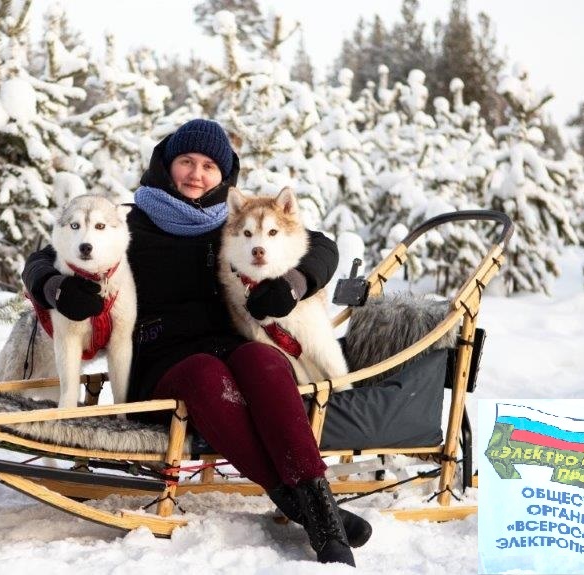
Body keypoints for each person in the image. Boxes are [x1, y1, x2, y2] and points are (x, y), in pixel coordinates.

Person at [23, 119, 370, 566]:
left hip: (227, 345)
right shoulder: (129, 221)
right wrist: (56, 288)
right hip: (158, 361)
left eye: (209, 166)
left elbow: (319, 245)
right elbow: (41, 260)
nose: (196, 174)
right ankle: (316, 514)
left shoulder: (233, 223)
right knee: (207, 375)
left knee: (263, 361)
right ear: (166, 165)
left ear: (222, 175)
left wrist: (295, 283)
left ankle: (315, 502)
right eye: (186, 161)